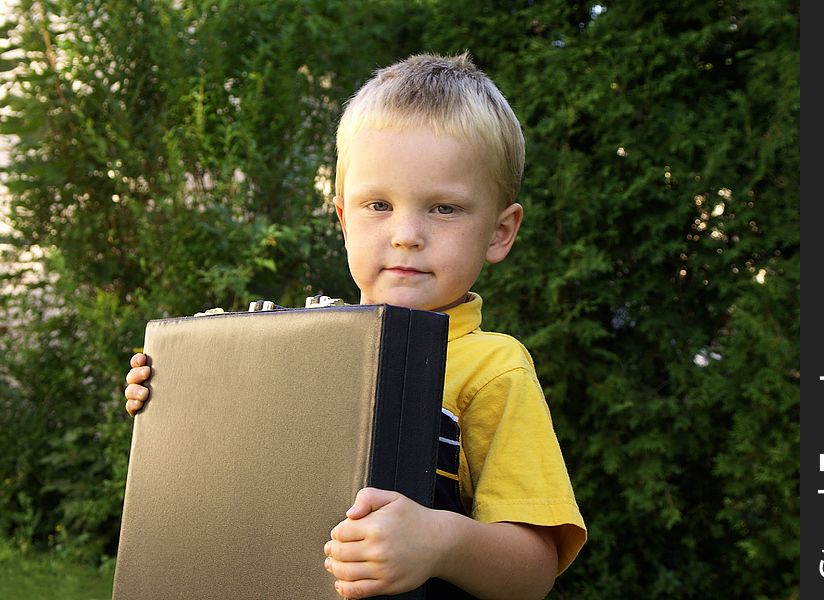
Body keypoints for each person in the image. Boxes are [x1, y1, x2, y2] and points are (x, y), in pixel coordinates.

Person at [125, 52, 586, 599]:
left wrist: (440, 541)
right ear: (343, 217)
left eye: (444, 208)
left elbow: (535, 570)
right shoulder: (299, 351)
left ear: (499, 232)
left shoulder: (494, 369)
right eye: (379, 204)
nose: (406, 234)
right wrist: (174, 404)